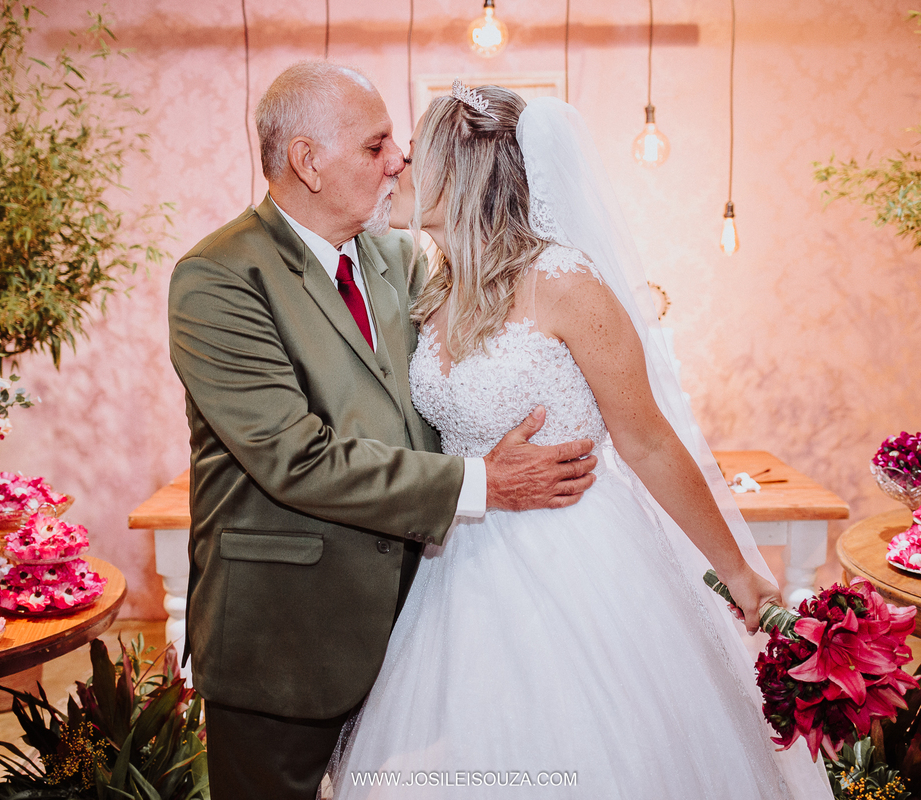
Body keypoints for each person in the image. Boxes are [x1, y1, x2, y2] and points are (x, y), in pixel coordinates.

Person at [329, 84, 835, 798]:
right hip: (459, 561)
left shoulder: (564, 281)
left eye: (414, 155)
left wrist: (738, 569)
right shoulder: (436, 289)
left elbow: (648, 440)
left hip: (572, 559)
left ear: (464, 172)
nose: (397, 169)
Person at [167, 64, 598, 800]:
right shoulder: (220, 277)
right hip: (286, 634)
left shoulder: (398, 257)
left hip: (420, 622)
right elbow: (294, 458)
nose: (400, 158)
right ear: (307, 161)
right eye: (376, 145)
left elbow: (439, 398)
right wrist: (483, 482)